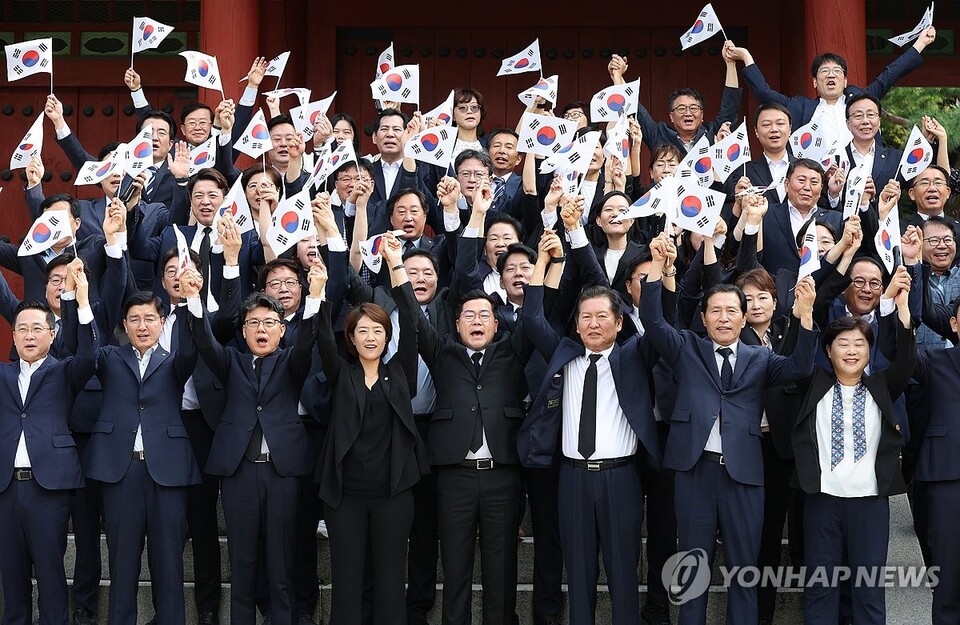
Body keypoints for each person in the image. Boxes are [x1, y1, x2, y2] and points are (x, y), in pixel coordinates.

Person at [640, 232, 819, 625]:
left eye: (731, 311)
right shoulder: (687, 347)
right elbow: (652, 321)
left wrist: (806, 318)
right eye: (715, 311)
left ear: (743, 317)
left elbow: (799, 369)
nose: (723, 317)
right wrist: (657, 266)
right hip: (694, 471)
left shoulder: (759, 358)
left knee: (744, 570)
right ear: (704, 319)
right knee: (693, 570)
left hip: (744, 474)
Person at [519, 228, 662, 625]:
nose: (594, 324)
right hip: (572, 479)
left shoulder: (635, 354)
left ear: (619, 323)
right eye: (586, 318)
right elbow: (531, 317)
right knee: (578, 576)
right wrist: (543, 264)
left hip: (621, 479)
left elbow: (653, 319)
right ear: (577, 325)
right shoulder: (563, 353)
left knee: (622, 579)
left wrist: (661, 267)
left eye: (603, 317)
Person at [183, 260, 325, 625]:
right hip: (239, 474)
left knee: (280, 568)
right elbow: (204, 341)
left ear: (281, 330)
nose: (261, 330)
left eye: (269, 323)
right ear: (244, 331)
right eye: (254, 323)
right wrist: (193, 298)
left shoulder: (293, 361)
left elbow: (308, 339)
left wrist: (316, 296)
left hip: (282, 474)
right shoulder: (231, 362)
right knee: (243, 569)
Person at [316, 232, 429, 625]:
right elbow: (321, 334)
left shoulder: (400, 373)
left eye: (378, 331)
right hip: (345, 495)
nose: (370, 337)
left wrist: (396, 265)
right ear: (351, 337)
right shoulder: (340, 374)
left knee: (389, 580)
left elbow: (412, 323)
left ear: (387, 337)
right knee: (347, 583)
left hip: (393, 494)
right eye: (361, 331)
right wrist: (319, 292)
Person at [792, 266, 915, 625]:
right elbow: (797, 358)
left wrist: (903, 313)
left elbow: (906, 363)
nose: (851, 351)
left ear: (869, 352)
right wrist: (805, 312)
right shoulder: (814, 386)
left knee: (869, 592)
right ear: (828, 352)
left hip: (869, 504)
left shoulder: (881, 388)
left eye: (859, 344)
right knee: (821, 589)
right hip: (822, 501)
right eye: (842, 344)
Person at [0, 273, 96, 625]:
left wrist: (82, 303)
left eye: (37, 328)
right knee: (11, 580)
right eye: (21, 329)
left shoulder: (65, 372)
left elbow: (89, 354)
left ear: (52, 334)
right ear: (13, 335)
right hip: (5, 488)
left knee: (51, 578)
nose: (28, 335)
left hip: (48, 488)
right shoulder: (3, 375)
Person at [727, 28, 937, 136]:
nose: (830, 75)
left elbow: (890, 75)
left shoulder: (860, 102)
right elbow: (765, 94)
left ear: (845, 81)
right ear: (814, 83)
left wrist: (921, 43)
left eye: (837, 71)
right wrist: (746, 57)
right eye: (824, 72)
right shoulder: (799, 107)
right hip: (814, 182)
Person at [912, 298, 960, 624]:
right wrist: (912, 268)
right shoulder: (935, 360)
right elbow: (897, 353)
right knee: (948, 581)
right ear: (954, 324)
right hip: (947, 481)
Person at [609, 42, 741, 153]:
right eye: (681, 109)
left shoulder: (713, 133)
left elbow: (730, 107)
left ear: (702, 115)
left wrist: (730, 64)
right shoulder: (659, 135)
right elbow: (635, 109)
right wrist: (617, 76)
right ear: (671, 116)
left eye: (694, 108)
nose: (688, 113)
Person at [759, 159, 843, 276]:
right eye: (801, 180)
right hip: (774, 290)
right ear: (786, 185)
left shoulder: (836, 220)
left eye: (814, 182)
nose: (807, 187)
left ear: (821, 188)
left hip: (821, 291)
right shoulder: (765, 214)